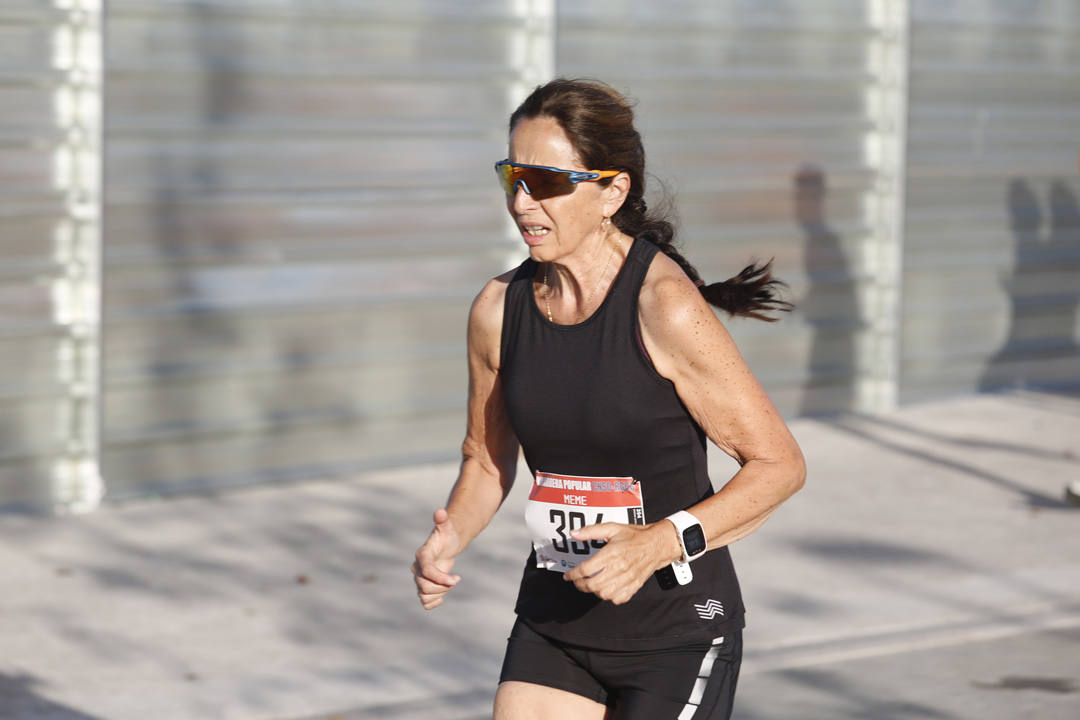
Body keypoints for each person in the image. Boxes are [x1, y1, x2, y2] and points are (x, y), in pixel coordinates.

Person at [412, 78, 806, 720]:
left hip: (674, 632)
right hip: (556, 614)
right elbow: (486, 461)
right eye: (513, 177)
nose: (521, 201)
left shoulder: (663, 305)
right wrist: (448, 538)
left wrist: (656, 543)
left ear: (612, 191)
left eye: (546, 182)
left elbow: (780, 465)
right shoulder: (496, 309)